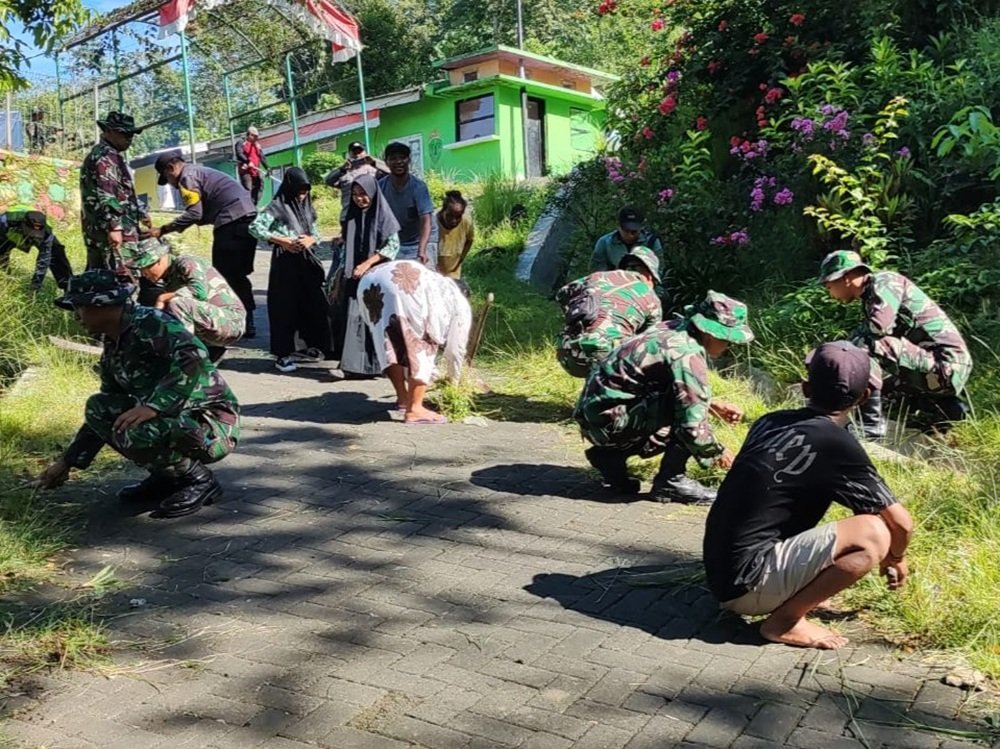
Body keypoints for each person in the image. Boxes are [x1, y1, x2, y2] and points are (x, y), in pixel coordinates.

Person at [703, 341, 913, 650]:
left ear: (805, 387)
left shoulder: (769, 422)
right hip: (746, 586)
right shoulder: (835, 442)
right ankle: (784, 622)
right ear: (865, 396)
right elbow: (902, 523)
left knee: (860, 526)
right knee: (874, 534)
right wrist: (896, 557)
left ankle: (790, 595)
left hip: (722, 572)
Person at [35, 271, 240, 518]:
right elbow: (105, 412)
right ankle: (167, 476)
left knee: (138, 428)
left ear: (102, 306)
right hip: (177, 420)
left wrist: (155, 406)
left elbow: (194, 355)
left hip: (210, 424)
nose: (76, 317)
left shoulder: (151, 323)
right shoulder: (114, 346)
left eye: (79, 308)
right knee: (100, 407)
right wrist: (67, 462)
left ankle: (198, 480)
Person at [574, 291, 752, 504]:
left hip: (596, 416)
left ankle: (610, 457)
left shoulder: (671, 328)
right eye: (726, 338)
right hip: (611, 423)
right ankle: (672, 481)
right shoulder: (686, 352)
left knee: (690, 405)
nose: (728, 345)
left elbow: (659, 385)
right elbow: (691, 422)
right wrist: (717, 453)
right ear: (711, 333)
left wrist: (713, 405)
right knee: (690, 415)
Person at [818, 250, 972, 436]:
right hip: (934, 370)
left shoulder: (885, 282)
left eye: (829, 286)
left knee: (862, 345)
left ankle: (872, 427)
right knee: (881, 397)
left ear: (846, 278)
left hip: (945, 365)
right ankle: (949, 410)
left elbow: (878, 328)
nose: (830, 293)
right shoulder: (869, 296)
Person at [151, 154, 259, 338]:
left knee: (223, 275)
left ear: (171, 168)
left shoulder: (187, 178)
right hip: (246, 219)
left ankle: (233, 320)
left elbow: (194, 213)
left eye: (167, 179)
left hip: (231, 221)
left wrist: (162, 230)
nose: (171, 184)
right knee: (237, 274)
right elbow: (201, 214)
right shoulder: (199, 172)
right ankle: (247, 320)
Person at [357, 260, 472, 424]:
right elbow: (455, 350)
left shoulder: (436, 281)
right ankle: (415, 409)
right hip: (407, 281)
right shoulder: (459, 302)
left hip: (370, 279)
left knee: (388, 343)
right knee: (421, 345)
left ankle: (403, 398)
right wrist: (455, 384)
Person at [250, 167, 332, 373]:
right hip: (284, 261)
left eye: (305, 191)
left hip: (306, 261)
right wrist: (282, 241)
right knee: (284, 308)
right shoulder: (277, 207)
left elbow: (316, 233)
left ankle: (311, 345)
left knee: (314, 304)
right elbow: (255, 228)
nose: (301, 195)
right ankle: (282, 355)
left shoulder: (307, 208)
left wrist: (311, 239)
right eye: (298, 190)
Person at [127, 237, 246, 362]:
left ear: (160, 260)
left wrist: (162, 298)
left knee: (177, 303)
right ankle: (206, 351)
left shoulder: (187, 262)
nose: (144, 273)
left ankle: (186, 355)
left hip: (230, 320)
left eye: (146, 267)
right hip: (209, 323)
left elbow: (198, 292)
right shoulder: (170, 277)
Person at [555, 246, 662, 378]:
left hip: (566, 349)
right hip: (607, 354)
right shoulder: (651, 297)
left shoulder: (598, 276)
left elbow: (562, 293)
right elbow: (651, 341)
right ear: (650, 276)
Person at [332, 174, 400, 376]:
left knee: (377, 320)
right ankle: (352, 366)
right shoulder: (351, 217)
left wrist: (367, 264)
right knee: (353, 319)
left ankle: (380, 366)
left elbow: (393, 246)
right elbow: (345, 253)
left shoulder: (384, 216)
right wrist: (338, 281)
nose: (359, 199)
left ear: (372, 193)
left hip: (377, 277)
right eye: (355, 195)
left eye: (363, 194)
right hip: (354, 277)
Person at [80, 111, 148, 273]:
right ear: (108, 131)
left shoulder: (107, 155)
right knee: (123, 276)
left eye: (131, 134)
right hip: (112, 230)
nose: (129, 138)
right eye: (124, 133)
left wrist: (141, 212)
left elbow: (121, 191)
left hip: (99, 228)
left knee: (99, 276)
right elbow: (107, 193)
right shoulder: (105, 156)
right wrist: (115, 227)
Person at [379, 142, 436, 267]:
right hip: (393, 243)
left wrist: (421, 251)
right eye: (393, 158)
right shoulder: (380, 186)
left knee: (426, 277)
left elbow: (426, 221)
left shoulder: (418, 187)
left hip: (419, 241)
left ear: (409, 160)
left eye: (402, 158)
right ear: (386, 162)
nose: (398, 162)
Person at [0, 209, 73, 289]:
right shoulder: (5, 221)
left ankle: (69, 287)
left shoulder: (47, 233)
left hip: (33, 232)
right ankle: (6, 281)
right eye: (31, 233)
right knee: (1, 254)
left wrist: (36, 284)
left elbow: (44, 259)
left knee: (57, 253)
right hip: (8, 233)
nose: (33, 236)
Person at [324, 141, 389, 221]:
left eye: (360, 151)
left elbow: (391, 173)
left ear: (365, 152)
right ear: (349, 154)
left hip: (372, 214)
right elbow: (328, 180)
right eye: (354, 152)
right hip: (349, 215)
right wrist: (341, 169)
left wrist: (374, 162)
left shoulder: (374, 170)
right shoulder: (343, 172)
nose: (357, 154)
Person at [590, 206, 665, 276]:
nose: (630, 235)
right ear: (618, 227)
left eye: (634, 231)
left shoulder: (652, 242)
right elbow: (597, 273)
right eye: (626, 231)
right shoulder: (604, 243)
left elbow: (658, 272)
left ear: (641, 227)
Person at [435, 190, 475, 279]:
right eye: (449, 216)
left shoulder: (466, 222)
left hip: (453, 271)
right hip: (434, 270)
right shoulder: (433, 223)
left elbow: (469, 240)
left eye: (458, 217)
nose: (453, 221)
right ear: (443, 211)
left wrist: (461, 259)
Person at [235, 126, 269, 206]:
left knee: (260, 187)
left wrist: (267, 167)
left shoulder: (257, 145)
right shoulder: (241, 142)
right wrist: (248, 161)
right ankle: (247, 207)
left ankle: (253, 205)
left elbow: (261, 156)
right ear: (250, 135)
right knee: (248, 189)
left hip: (255, 171)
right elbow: (239, 153)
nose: (257, 138)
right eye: (255, 136)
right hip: (246, 171)